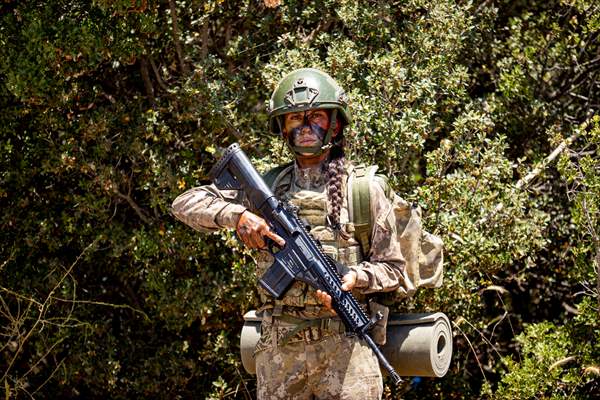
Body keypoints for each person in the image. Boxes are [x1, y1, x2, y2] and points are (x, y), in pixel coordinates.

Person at [172, 68, 409, 400]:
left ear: (335, 124)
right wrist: (239, 216)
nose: (306, 126)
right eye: (295, 118)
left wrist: (354, 278)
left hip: (346, 353)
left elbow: (395, 270)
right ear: (283, 127)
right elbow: (185, 203)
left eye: (316, 117)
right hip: (279, 353)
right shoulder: (267, 188)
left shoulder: (362, 190)